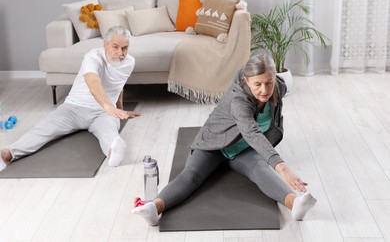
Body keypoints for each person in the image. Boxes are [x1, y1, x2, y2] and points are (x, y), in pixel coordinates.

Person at [132, 53, 316, 226]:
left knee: (261, 170)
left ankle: (295, 205)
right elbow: (252, 132)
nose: (265, 90)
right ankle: (153, 209)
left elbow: (253, 136)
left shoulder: (279, 87)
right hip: (214, 144)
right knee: (191, 175)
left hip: (243, 149)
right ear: (246, 81)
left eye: (269, 83)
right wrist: (282, 167)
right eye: (257, 84)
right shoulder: (239, 100)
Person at [0, 26, 140, 172]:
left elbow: (119, 85)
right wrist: (108, 106)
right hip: (74, 109)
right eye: (115, 47)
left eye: (125, 48)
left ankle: (113, 152)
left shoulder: (129, 62)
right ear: (105, 44)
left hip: (102, 114)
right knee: (44, 129)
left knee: (110, 132)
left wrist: (119, 108)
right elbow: (93, 83)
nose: (120, 53)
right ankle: (6, 154)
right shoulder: (93, 57)